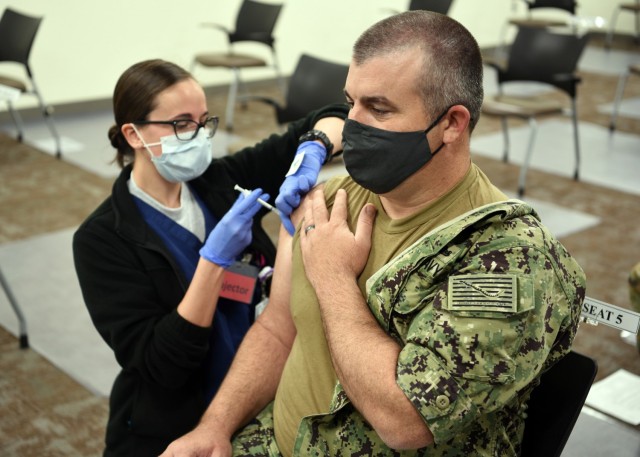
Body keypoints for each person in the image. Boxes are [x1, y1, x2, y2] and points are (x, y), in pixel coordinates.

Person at [161, 11, 586, 457]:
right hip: (271, 442)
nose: (353, 125)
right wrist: (215, 426)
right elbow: (278, 328)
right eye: (351, 103)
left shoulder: (508, 260)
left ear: (452, 123)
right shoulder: (331, 201)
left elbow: (406, 421)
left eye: (379, 108)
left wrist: (332, 276)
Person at [72, 59, 347, 457]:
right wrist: (213, 261)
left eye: (203, 121)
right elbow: (162, 365)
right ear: (133, 134)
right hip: (179, 424)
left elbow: (333, 115)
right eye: (181, 124)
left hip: (259, 391)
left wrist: (313, 149)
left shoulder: (219, 181)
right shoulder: (102, 240)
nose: (199, 136)